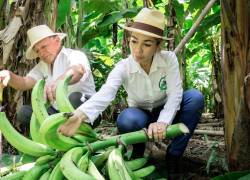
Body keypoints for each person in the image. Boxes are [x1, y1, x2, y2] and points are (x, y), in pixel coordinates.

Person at [59, 8, 204, 179]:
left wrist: (163, 122)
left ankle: (173, 156)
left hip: (165, 109)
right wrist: (79, 116)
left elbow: (175, 94)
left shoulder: (168, 59)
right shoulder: (123, 67)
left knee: (195, 98)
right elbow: (106, 93)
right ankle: (138, 152)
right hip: (140, 114)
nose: (138, 50)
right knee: (127, 119)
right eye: (134, 41)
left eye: (147, 44)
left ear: (158, 46)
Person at [0, 24, 96, 125]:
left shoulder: (74, 55)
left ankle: (73, 130)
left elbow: (78, 70)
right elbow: (24, 83)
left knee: (75, 98)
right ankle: (57, 131)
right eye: (37, 51)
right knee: (25, 113)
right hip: (58, 113)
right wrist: (9, 75)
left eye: (44, 46)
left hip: (84, 108)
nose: (41, 53)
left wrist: (59, 82)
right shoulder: (42, 66)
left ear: (57, 41)